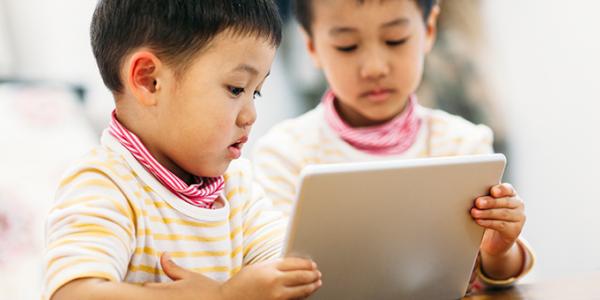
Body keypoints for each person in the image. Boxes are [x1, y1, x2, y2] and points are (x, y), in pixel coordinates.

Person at [43, 1, 322, 299]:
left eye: (256, 92)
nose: (250, 115)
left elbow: (290, 269)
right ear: (149, 81)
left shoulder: (235, 186)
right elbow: (73, 293)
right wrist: (221, 297)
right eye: (236, 89)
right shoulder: (103, 184)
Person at [252, 0, 533, 290]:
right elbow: (275, 273)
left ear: (429, 29)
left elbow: (493, 277)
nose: (375, 68)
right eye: (347, 46)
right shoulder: (285, 154)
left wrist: (498, 249)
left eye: (395, 40)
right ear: (311, 46)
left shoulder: (462, 144)